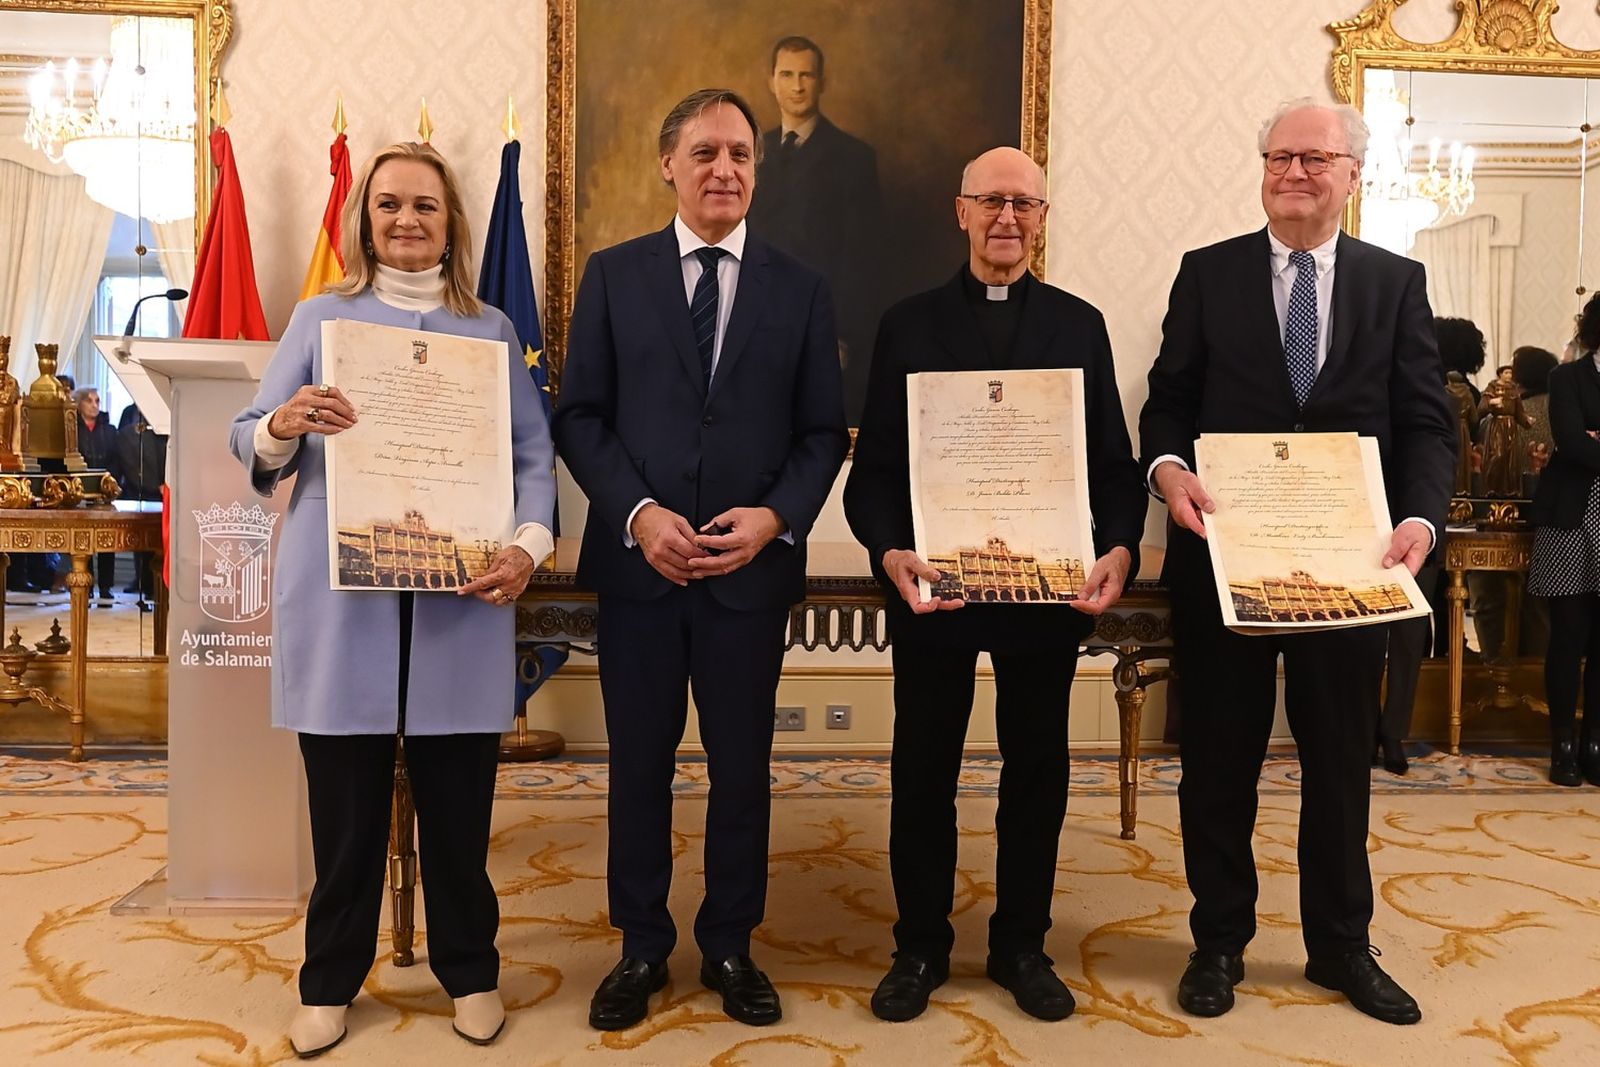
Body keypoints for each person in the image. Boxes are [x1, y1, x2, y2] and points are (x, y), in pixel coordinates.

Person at [229, 141, 556, 1057]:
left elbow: (533, 457)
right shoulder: (319, 317)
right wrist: (284, 425)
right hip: (344, 598)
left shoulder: (491, 329)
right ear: (363, 219)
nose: (406, 221)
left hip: (460, 592)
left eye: (425, 205)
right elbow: (251, 432)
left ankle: (471, 969)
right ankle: (329, 979)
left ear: (452, 221)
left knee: (460, 808)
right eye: (388, 206)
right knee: (344, 813)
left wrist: (528, 548)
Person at [1138, 99, 1453, 1026]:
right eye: (1279, 157)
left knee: (1340, 758)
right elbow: (1168, 402)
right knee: (1219, 761)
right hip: (1224, 563)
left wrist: (1421, 524)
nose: (1294, 173)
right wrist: (1167, 472)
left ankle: (1340, 947)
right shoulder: (1208, 274)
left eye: (1316, 158)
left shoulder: (1396, 283)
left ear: (1353, 174)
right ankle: (1218, 941)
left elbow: (1428, 425)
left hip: (1353, 569)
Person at [553, 88, 848, 1032]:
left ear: (756, 171)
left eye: (741, 154)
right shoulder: (612, 274)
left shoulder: (801, 288)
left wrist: (774, 518)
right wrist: (637, 514)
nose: (725, 168)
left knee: (742, 769)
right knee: (637, 764)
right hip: (641, 571)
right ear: (667, 165)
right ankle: (641, 943)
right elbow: (580, 416)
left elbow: (821, 434)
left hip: (746, 576)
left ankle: (729, 942)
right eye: (706, 152)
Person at [843, 147, 1146, 1023]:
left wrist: (1119, 548)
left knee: (1038, 767)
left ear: (1043, 218)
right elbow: (874, 476)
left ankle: (1021, 944)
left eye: (1025, 203)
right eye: (991, 201)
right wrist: (889, 549)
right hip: (937, 586)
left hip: (1045, 592)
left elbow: (1113, 469)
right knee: (923, 767)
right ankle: (920, 946)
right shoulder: (906, 323)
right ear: (961, 211)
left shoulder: (1079, 325)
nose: (1007, 217)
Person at [748, 35, 881, 422]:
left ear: (822, 82)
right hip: (756, 325)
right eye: (787, 74)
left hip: (821, 327)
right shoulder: (751, 154)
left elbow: (861, 258)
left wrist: (840, 335)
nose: (797, 85)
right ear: (771, 80)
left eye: (807, 75)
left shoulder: (854, 158)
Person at [1527, 292, 1600, 787]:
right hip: (1571, 520)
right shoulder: (1566, 377)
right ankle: (1563, 745)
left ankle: (1595, 742)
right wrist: (1589, 440)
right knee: (1568, 636)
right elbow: (1573, 443)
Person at [71, 387, 120, 606]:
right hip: (79, 490)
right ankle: (86, 586)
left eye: (97, 401)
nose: (94, 405)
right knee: (83, 540)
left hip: (104, 490)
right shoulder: (72, 430)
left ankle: (106, 586)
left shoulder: (109, 430)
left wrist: (110, 485)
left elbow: (116, 460)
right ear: (79, 404)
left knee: (106, 540)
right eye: (89, 401)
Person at [115, 403, 164, 612]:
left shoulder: (161, 414)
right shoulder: (128, 415)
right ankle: (144, 585)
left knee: (161, 542)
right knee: (142, 543)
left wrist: (165, 483)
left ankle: (158, 588)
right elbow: (128, 455)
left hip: (165, 490)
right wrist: (152, 484)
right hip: (140, 490)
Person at [1478, 364, 1533, 497]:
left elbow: (1519, 411)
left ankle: (1509, 490)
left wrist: (1527, 420)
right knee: (1497, 455)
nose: (1509, 376)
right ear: (1500, 374)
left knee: (1511, 459)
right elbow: (1482, 407)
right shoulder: (1492, 387)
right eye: (1506, 373)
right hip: (1497, 426)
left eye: (1510, 373)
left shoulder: (1514, 390)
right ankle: (1491, 487)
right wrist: (1492, 402)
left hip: (1511, 427)